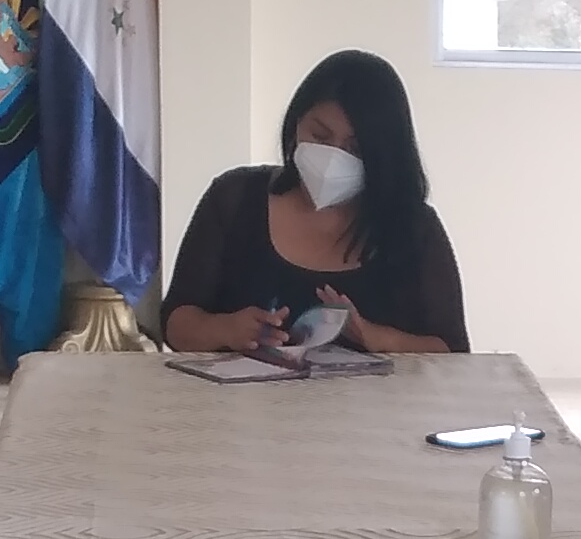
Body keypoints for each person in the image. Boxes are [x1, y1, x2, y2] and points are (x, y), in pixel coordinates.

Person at [162, 49, 469, 355]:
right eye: (320, 136)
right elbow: (175, 323)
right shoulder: (234, 198)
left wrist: (378, 338)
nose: (334, 156)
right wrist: (224, 330)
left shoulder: (414, 228)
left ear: (384, 156)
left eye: (355, 149)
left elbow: (452, 350)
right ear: (295, 124)